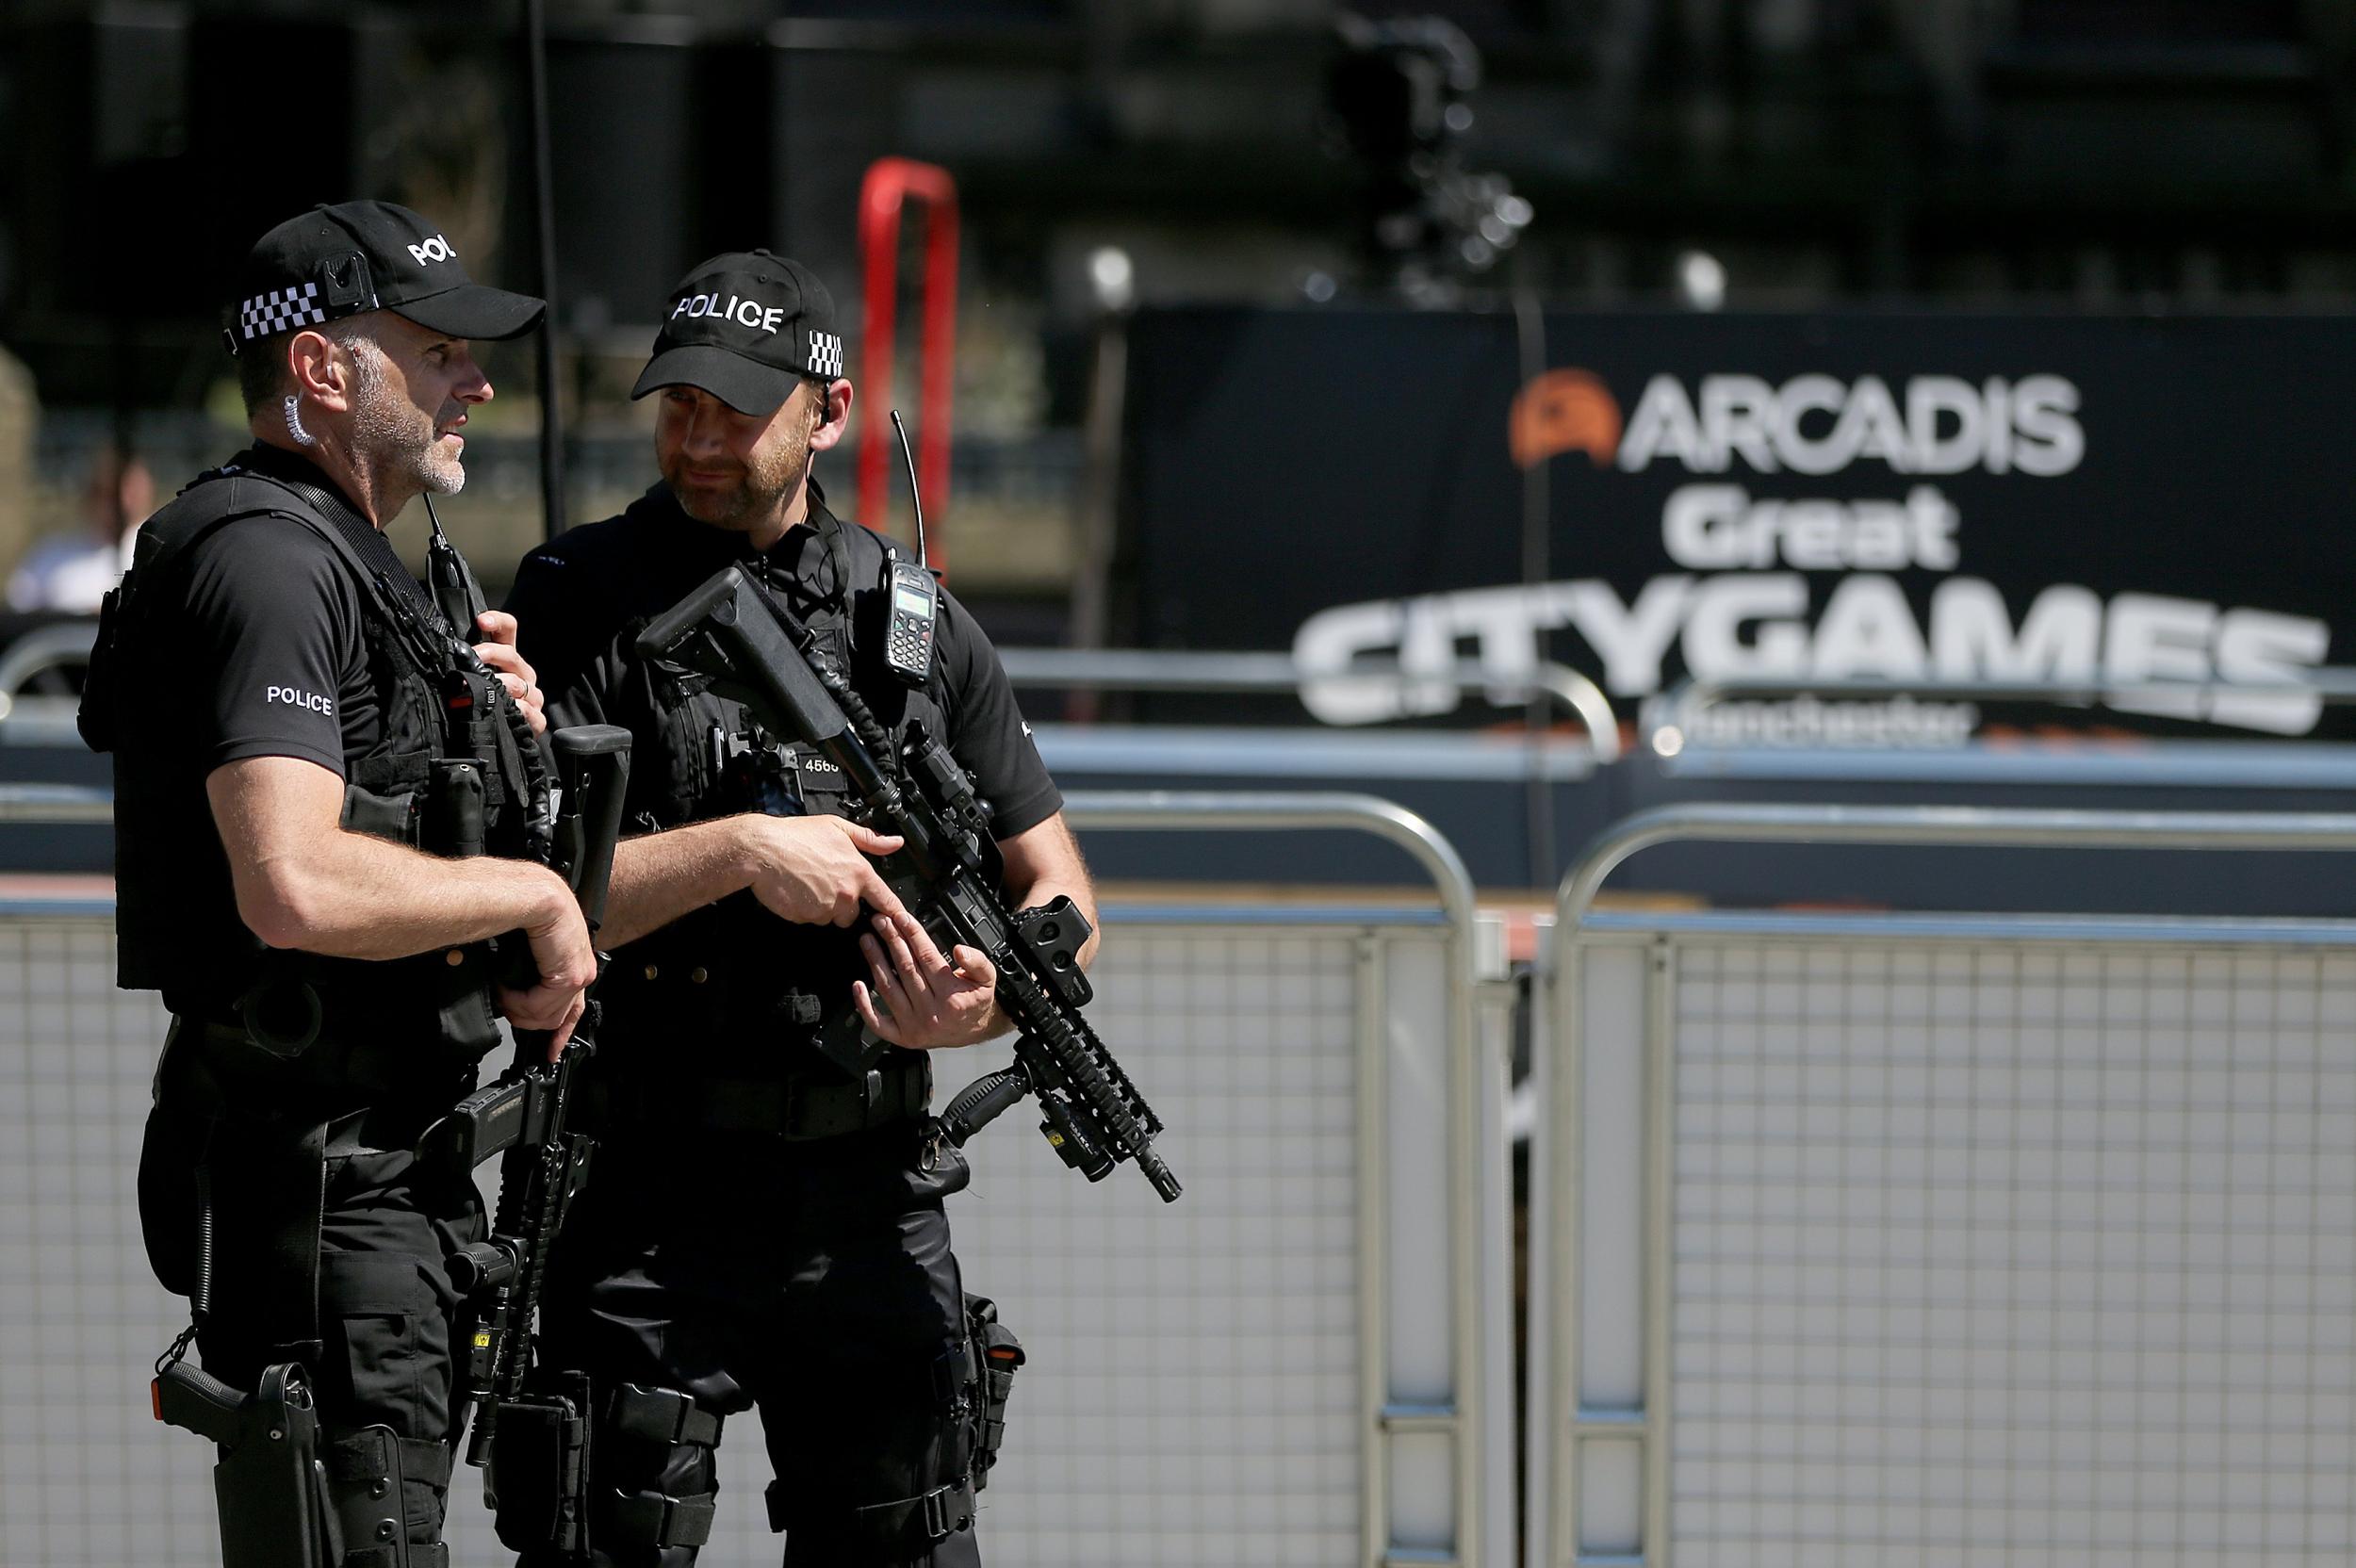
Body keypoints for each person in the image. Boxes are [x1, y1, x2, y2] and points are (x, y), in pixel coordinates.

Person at [501, 250, 1095, 1567]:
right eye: (679, 406)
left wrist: (979, 1002)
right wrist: (740, 854)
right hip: (650, 1184)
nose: (698, 440)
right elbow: (528, 904)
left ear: (827, 412)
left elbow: (1058, 886)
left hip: (870, 1197)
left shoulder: (912, 618)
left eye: (734, 410)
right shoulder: (580, 594)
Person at [81, 200, 595, 1568]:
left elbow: (390, 815)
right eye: (436, 352)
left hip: (387, 1183)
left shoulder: (360, 560)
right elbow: (292, 883)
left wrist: (496, 730)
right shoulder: (266, 560)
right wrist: (533, 899)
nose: (476, 384)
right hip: (323, 1193)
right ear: (319, 367)